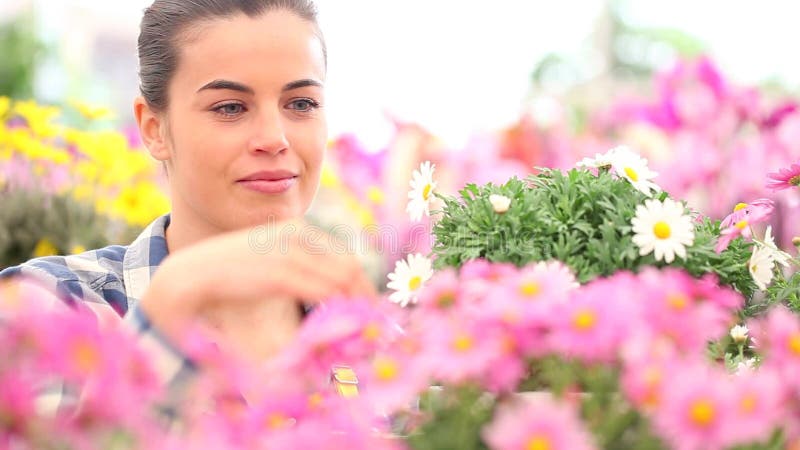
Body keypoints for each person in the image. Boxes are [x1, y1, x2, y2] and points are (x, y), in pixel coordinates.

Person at [0, 0, 376, 398]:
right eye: (230, 108)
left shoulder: (370, 344)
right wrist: (169, 304)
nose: (274, 138)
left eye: (301, 104)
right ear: (153, 129)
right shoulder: (51, 306)